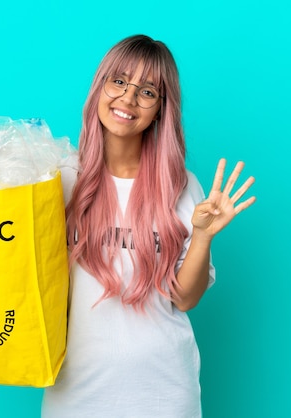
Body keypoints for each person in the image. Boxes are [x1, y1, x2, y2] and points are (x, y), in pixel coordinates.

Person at [42, 34, 256, 418]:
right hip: (75, 391)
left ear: (160, 109)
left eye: (147, 92)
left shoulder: (182, 186)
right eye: (119, 82)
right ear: (100, 87)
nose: (127, 99)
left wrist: (203, 235)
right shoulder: (58, 180)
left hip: (164, 392)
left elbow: (184, 299)